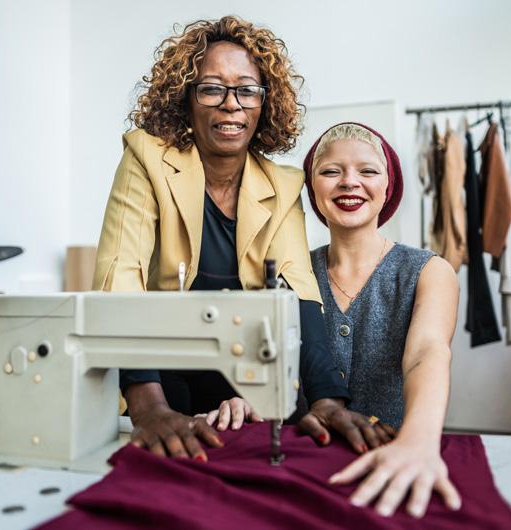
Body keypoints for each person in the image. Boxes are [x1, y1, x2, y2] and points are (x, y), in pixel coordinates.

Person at [93, 18, 382, 461]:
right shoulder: (146, 159)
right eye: (212, 89)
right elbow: (121, 279)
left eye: (247, 90)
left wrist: (326, 399)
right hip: (159, 379)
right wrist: (148, 408)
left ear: (264, 103)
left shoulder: (282, 184)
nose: (231, 104)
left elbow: (299, 296)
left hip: (245, 390)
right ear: (186, 98)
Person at [302, 122, 462, 518]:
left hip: (398, 458)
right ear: (312, 187)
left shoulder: (429, 271)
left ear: (388, 187)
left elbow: (427, 352)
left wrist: (419, 441)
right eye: (331, 171)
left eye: (367, 171)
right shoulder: (294, 273)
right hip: (305, 461)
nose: (349, 182)